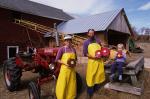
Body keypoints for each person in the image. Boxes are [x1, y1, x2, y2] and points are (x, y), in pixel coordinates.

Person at [83, 29, 105, 98]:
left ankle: (95, 89)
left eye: (92, 33)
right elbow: (85, 53)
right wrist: (93, 56)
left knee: (97, 76)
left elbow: (101, 50)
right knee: (91, 77)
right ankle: (89, 93)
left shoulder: (98, 41)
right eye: (90, 33)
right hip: (92, 62)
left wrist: (104, 53)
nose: (91, 34)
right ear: (88, 34)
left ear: (94, 34)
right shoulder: (86, 42)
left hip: (99, 62)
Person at [55, 35, 77, 99]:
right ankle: (61, 97)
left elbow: (75, 59)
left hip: (72, 70)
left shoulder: (73, 49)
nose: (68, 42)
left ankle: (71, 97)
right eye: (67, 41)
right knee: (63, 83)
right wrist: (65, 63)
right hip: (65, 70)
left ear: (71, 41)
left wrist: (74, 63)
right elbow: (57, 59)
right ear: (64, 42)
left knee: (71, 83)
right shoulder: (62, 49)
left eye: (69, 40)